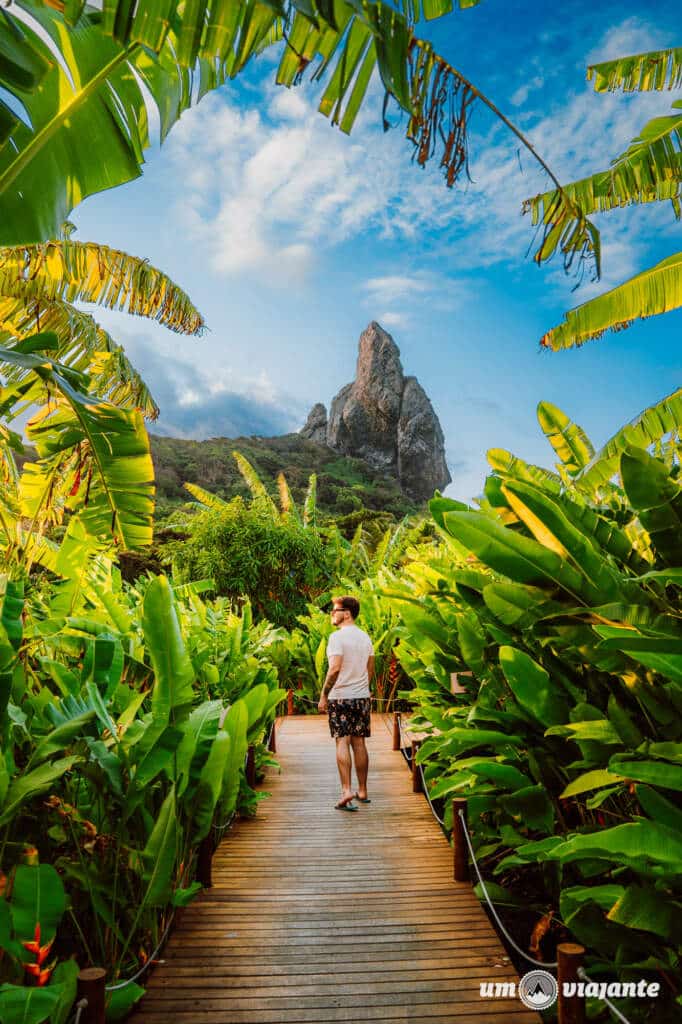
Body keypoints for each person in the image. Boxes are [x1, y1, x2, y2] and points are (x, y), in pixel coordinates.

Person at [318, 595, 374, 811]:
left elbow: (334, 668)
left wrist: (324, 695)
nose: (332, 613)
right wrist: (362, 688)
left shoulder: (337, 638)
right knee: (359, 743)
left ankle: (346, 791)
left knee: (342, 741)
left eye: (335, 610)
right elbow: (370, 669)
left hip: (340, 696)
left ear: (347, 613)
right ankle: (363, 790)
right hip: (360, 697)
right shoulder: (365, 637)